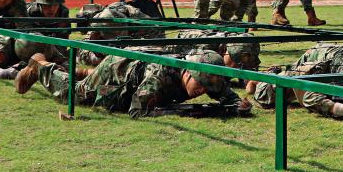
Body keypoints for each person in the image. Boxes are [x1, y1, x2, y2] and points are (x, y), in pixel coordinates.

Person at [17, 48, 244, 116]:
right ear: (188, 74)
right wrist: (187, 111)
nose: (202, 91)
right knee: (76, 95)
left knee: (87, 82)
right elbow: (138, 110)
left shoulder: (207, 74)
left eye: (207, 88)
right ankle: (41, 66)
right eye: (201, 85)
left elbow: (229, 98)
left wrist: (239, 106)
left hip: (134, 69)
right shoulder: (159, 77)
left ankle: (80, 71)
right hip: (120, 71)